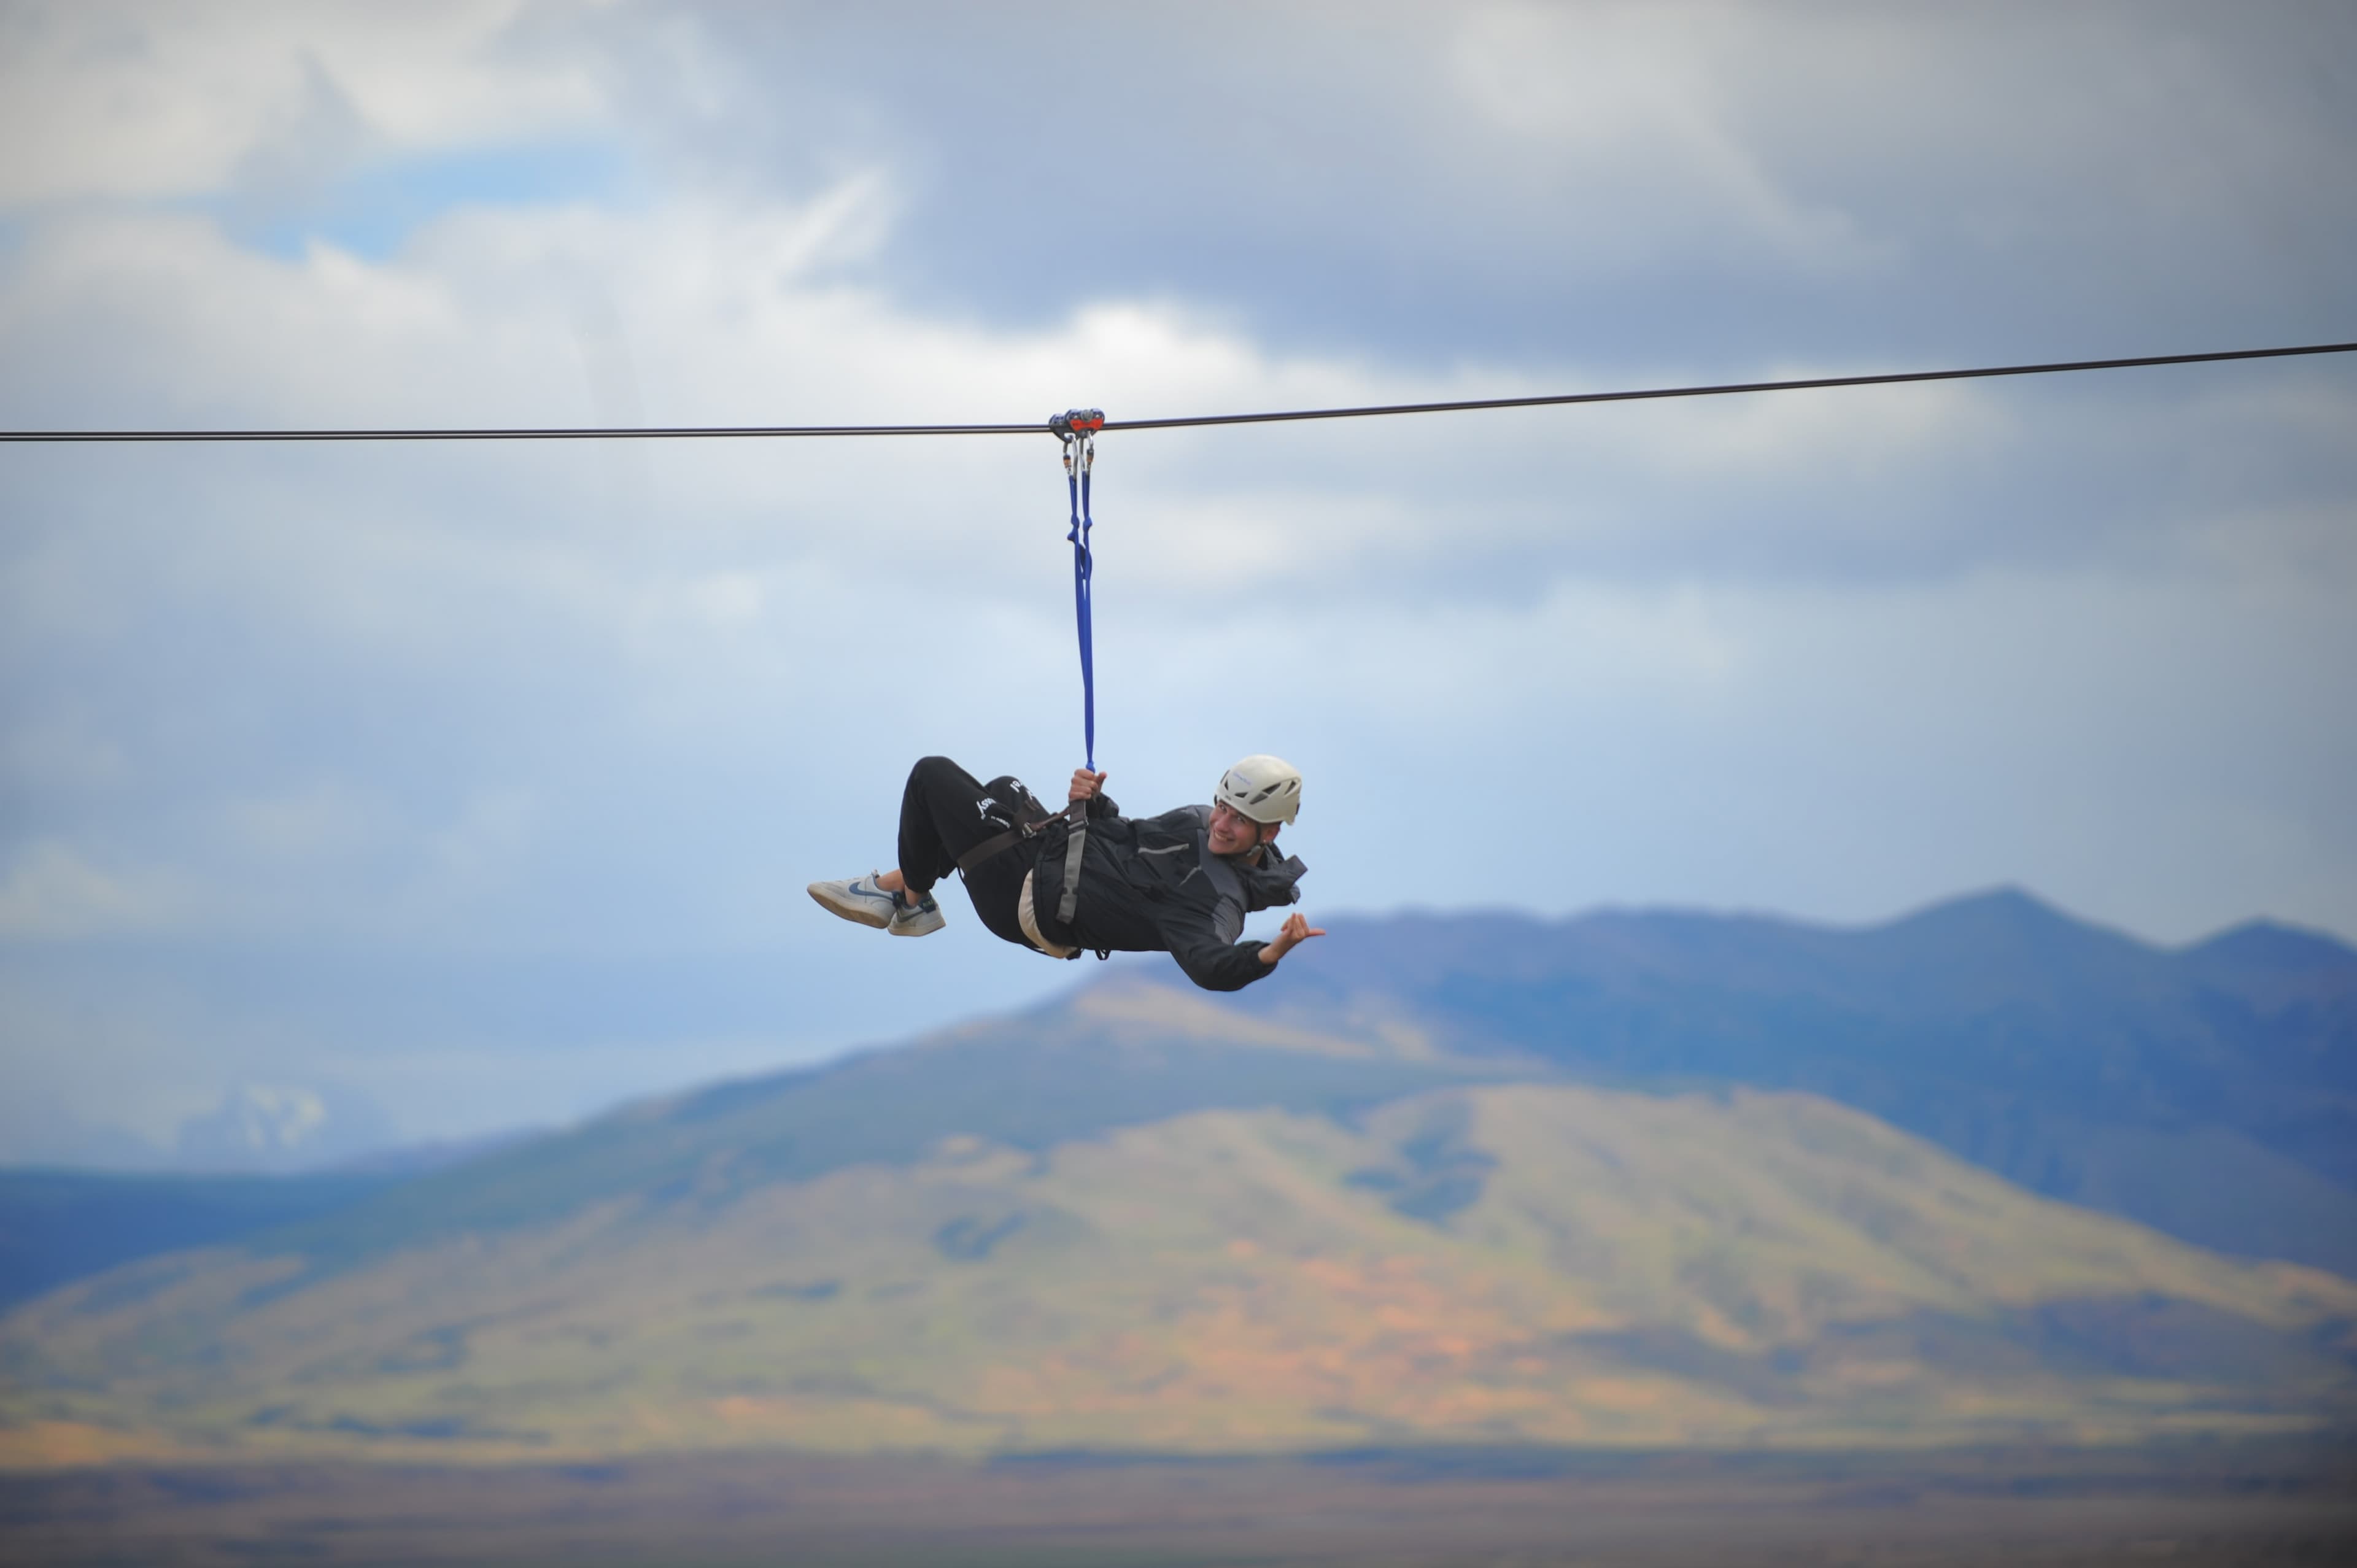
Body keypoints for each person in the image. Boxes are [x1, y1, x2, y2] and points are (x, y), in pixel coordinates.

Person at [808, 754, 1322, 992]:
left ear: (1270, 834)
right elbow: (1126, 835)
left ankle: (911, 899)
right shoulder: (1196, 820)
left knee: (931, 777)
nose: (1222, 824)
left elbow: (1213, 966)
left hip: (1030, 900)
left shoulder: (1217, 900)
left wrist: (1269, 953)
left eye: (1239, 821)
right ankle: (900, 890)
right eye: (1223, 807)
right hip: (1055, 852)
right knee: (1004, 788)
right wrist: (1094, 802)